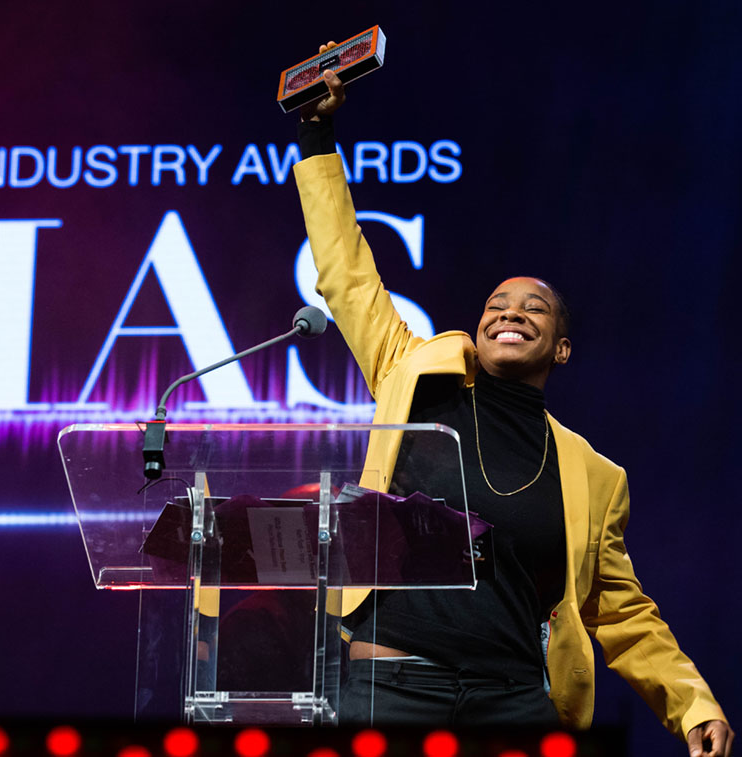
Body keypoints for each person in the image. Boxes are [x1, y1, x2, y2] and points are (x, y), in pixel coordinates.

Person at [290, 43, 734, 756]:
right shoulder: (413, 375)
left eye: (535, 308)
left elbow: (623, 615)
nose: (511, 312)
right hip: (393, 686)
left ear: (562, 348)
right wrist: (316, 135)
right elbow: (346, 272)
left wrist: (692, 704)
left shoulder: (594, 475)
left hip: (515, 701)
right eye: (498, 304)